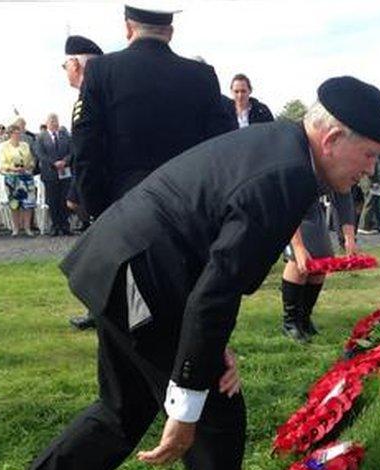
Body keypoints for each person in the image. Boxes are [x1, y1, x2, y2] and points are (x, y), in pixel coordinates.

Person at [0, 75, 380, 470]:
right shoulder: (287, 175)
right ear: (332, 139)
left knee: (123, 407)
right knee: (215, 421)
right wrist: (186, 398)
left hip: (125, 263)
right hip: (139, 275)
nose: (369, 171)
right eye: (368, 156)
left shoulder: (285, 148)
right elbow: (216, 289)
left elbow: (216, 270)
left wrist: (211, 347)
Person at [72, 5, 234, 219]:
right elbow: (219, 149)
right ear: (170, 32)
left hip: (123, 209)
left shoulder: (101, 71)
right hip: (188, 211)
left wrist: (96, 209)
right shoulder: (202, 76)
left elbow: (86, 146)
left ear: (128, 28)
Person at [281, 114, 359, 342]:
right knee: (300, 260)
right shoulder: (297, 155)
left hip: (311, 204)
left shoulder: (339, 161)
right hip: (286, 204)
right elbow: (287, 205)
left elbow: (343, 196)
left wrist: (349, 238)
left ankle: (305, 317)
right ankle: (290, 322)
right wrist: (297, 246)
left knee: (323, 257)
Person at [63, 34, 103, 331]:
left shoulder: (91, 97)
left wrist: (86, 199)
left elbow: (88, 153)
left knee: (100, 254)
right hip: (96, 188)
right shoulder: (95, 94)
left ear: (76, 64)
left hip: (101, 192)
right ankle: (98, 310)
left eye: (66, 64)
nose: (65, 70)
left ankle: (101, 312)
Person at [34, 114, 73, 236]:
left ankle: (65, 225)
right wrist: (54, 163)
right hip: (50, 173)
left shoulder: (65, 136)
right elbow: (40, 154)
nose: (54, 123)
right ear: (47, 123)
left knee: (64, 199)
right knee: (52, 200)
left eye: (56, 121)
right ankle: (55, 226)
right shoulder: (41, 137)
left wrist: (64, 161)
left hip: (64, 172)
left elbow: (72, 151)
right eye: (52, 121)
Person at [0, 125, 37, 236]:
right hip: (12, 177)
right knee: (14, 203)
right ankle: (15, 228)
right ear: (10, 134)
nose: (18, 135)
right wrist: (12, 168)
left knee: (28, 203)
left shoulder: (25, 145)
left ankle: (27, 227)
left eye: (19, 133)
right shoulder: (3, 146)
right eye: (16, 133)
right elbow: (1, 163)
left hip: (26, 176)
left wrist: (28, 166)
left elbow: (31, 160)